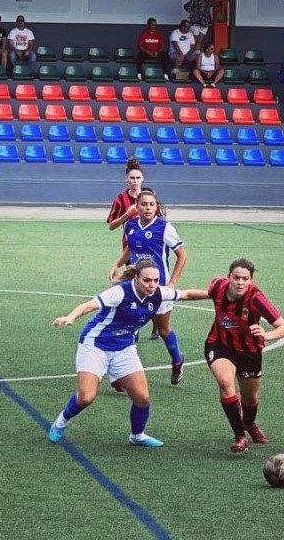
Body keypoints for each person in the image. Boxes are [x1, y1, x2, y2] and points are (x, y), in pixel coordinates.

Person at [48, 260, 176, 447]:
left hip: (124, 348)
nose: (153, 285)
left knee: (142, 398)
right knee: (86, 397)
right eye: (147, 280)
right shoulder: (120, 292)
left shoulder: (158, 292)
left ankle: (137, 435)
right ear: (136, 278)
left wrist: (219, 292)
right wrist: (71, 317)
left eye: (156, 280)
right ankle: (60, 423)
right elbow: (89, 305)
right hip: (95, 346)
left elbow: (187, 294)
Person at [178, 258, 284, 453]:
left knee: (251, 400)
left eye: (245, 279)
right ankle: (240, 436)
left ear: (251, 280)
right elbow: (200, 293)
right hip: (220, 344)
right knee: (225, 382)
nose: (240, 282)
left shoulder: (256, 298)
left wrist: (266, 334)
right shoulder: (218, 287)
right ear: (228, 277)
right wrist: (175, 294)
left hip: (249, 351)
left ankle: (249, 423)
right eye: (236, 277)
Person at [110, 190, 187, 384]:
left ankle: (177, 360)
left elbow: (182, 255)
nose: (148, 208)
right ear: (137, 206)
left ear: (156, 206)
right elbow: (130, 248)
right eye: (143, 204)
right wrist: (117, 265)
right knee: (130, 327)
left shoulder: (165, 228)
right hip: (135, 287)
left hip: (157, 287)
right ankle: (124, 373)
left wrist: (171, 284)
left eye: (151, 204)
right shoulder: (130, 225)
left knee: (163, 330)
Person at [106, 157, 144, 249]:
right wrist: (127, 214)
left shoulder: (150, 196)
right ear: (126, 179)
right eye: (132, 178)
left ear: (142, 178)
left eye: (138, 178)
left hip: (150, 243)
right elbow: (111, 226)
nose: (135, 181)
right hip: (129, 245)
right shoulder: (120, 199)